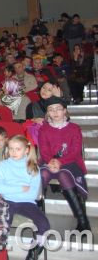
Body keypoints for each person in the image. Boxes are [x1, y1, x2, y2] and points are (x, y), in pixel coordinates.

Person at [39, 97, 90, 232]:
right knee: (42, 174)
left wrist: (60, 161)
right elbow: (44, 150)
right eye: (51, 110)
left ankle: (83, 222)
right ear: (47, 113)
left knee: (63, 175)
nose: (55, 112)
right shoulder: (43, 129)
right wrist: (51, 161)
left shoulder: (74, 128)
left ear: (65, 111)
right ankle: (38, 217)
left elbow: (75, 151)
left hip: (70, 162)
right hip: (49, 162)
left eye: (58, 109)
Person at [0, 136, 50, 260]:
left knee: (44, 226)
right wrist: (21, 188)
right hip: (6, 201)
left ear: (26, 150)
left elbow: (33, 194)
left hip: (27, 203)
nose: (13, 152)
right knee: (1, 225)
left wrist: (8, 189)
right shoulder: (3, 165)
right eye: (11, 149)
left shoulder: (33, 168)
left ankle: (32, 254)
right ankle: (1, 254)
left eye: (18, 149)